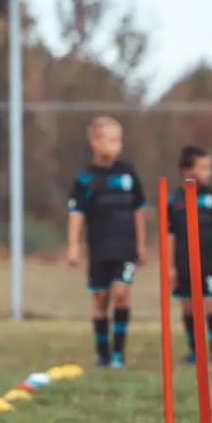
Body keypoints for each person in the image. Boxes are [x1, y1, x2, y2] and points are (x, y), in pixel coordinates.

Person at [67, 116, 147, 368]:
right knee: (100, 299)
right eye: (111, 140)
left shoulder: (128, 173)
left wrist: (141, 244)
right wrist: (73, 245)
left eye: (119, 140)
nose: (117, 145)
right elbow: (76, 213)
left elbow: (139, 210)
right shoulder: (85, 179)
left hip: (124, 246)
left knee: (121, 293)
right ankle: (102, 353)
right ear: (95, 142)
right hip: (99, 247)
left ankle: (118, 354)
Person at [168, 145, 212, 365]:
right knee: (188, 307)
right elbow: (170, 235)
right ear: (187, 170)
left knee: (211, 305)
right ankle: (195, 352)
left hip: (208, 263)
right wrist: (170, 267)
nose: (209, 172)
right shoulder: (175, 200)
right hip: (183, 263)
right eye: (204, 167)